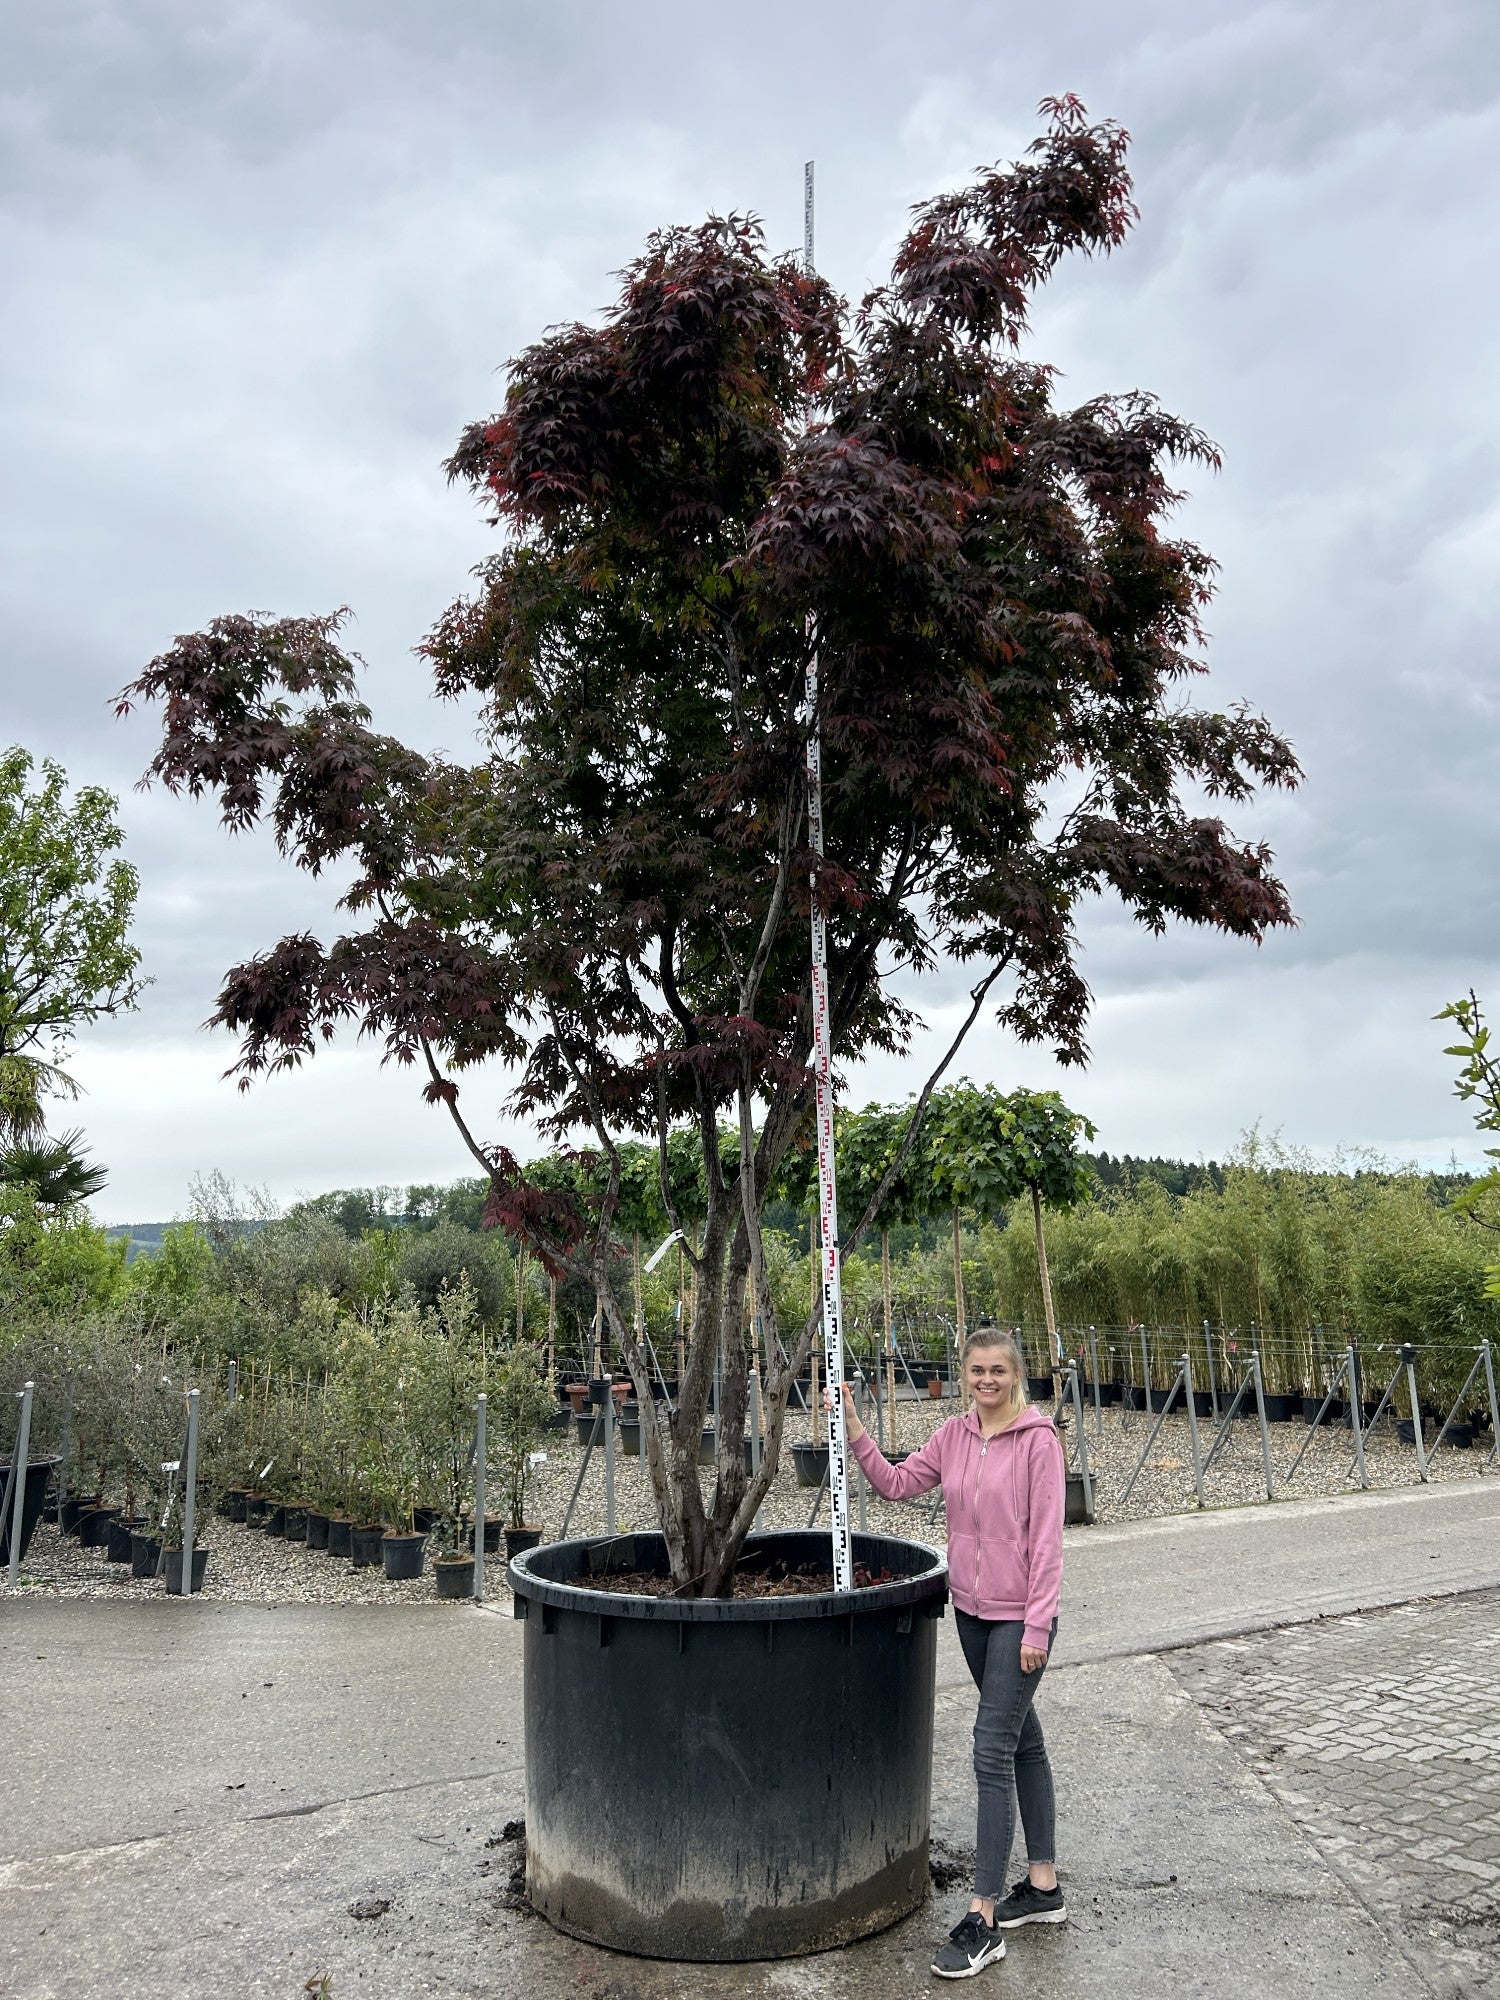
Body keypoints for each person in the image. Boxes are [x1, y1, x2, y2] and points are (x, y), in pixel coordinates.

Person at [831, 1325, 1066, 1980]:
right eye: (977, 1371)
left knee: (991, 1749)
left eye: (998, 1371)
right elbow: (897, 1484)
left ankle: (983, 1917)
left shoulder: (1038, 1442)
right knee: (1022, 1742)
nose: (987, 1381)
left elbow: (1047, 1544)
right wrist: (854, 1427)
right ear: (964, 1375)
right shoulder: (955, 1437)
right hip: (969, 1612)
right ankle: (1043, 1886)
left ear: (1016, 1375)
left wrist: (1038, 1629)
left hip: (1021, 1619)